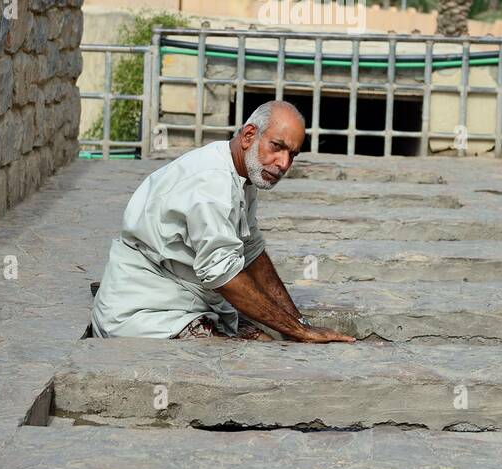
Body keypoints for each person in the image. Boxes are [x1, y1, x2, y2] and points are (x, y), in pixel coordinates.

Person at [91, 99, 355, 344]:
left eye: (293, 154)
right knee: (248, 361)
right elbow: (222, 274)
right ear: (249, 135)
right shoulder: (212, 184)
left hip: (191, 300)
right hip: (146, 311)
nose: (283, 163)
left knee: (267, 341)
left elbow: (251, 250)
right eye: (277, 147)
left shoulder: (243, 170)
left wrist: (299, 323)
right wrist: (299, 331)